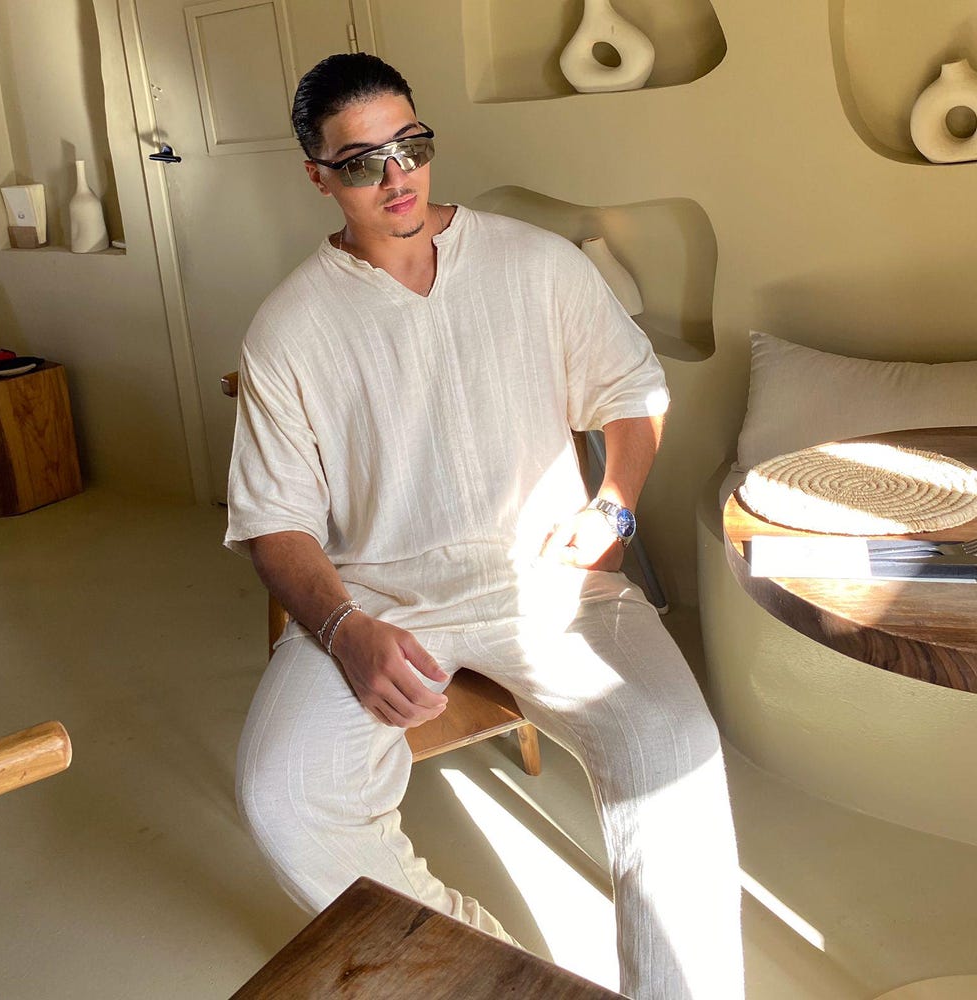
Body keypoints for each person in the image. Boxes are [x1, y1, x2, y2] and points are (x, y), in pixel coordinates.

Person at [225, 52, 743, 1000]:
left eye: (411, 146)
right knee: (284, 793)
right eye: (361, 162)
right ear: (318, 176)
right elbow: (274, 520)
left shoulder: (532, 263)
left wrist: (614, 504)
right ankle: (483, 964)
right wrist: (343, 629)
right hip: (378, 599)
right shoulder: (288, 328)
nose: (397, 177)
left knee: (675, 751)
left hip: (548, 580)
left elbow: (631, 389)